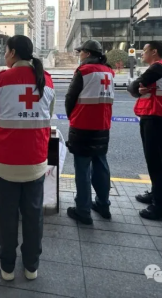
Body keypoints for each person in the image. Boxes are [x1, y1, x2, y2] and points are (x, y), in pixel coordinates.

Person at [0, 35, 55, 282]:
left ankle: (7, 266)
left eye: (6, 51)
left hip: (5, 161)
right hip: (35, 160)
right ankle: (31, 266)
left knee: (6, 215)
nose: (5, 55)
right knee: (34, 215)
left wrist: (4, 130)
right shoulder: (47, 81)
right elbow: (47, 116)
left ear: (12, 53)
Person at [65, 40, 115, 225]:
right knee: (101, 165)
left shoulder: (84, 71)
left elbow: (70, 97)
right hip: (103, 125)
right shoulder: (109, 71)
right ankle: (103, 205)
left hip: (83, 126)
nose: (79, 55)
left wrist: (72, 116)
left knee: (83, 169)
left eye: (80, 52)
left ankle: (83, 210)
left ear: (87, 53)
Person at [127, 41, 162, 220]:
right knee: (154, 160)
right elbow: (136, 88)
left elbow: (133, 86)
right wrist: (136, 89)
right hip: (155, 116)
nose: (142, 54)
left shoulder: (158, 67)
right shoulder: (159, 68)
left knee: (155, 161)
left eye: (145, 50)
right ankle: (155, 194)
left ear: (154, 52)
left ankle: (161, 205)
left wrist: (136, 88)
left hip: (157, 117)